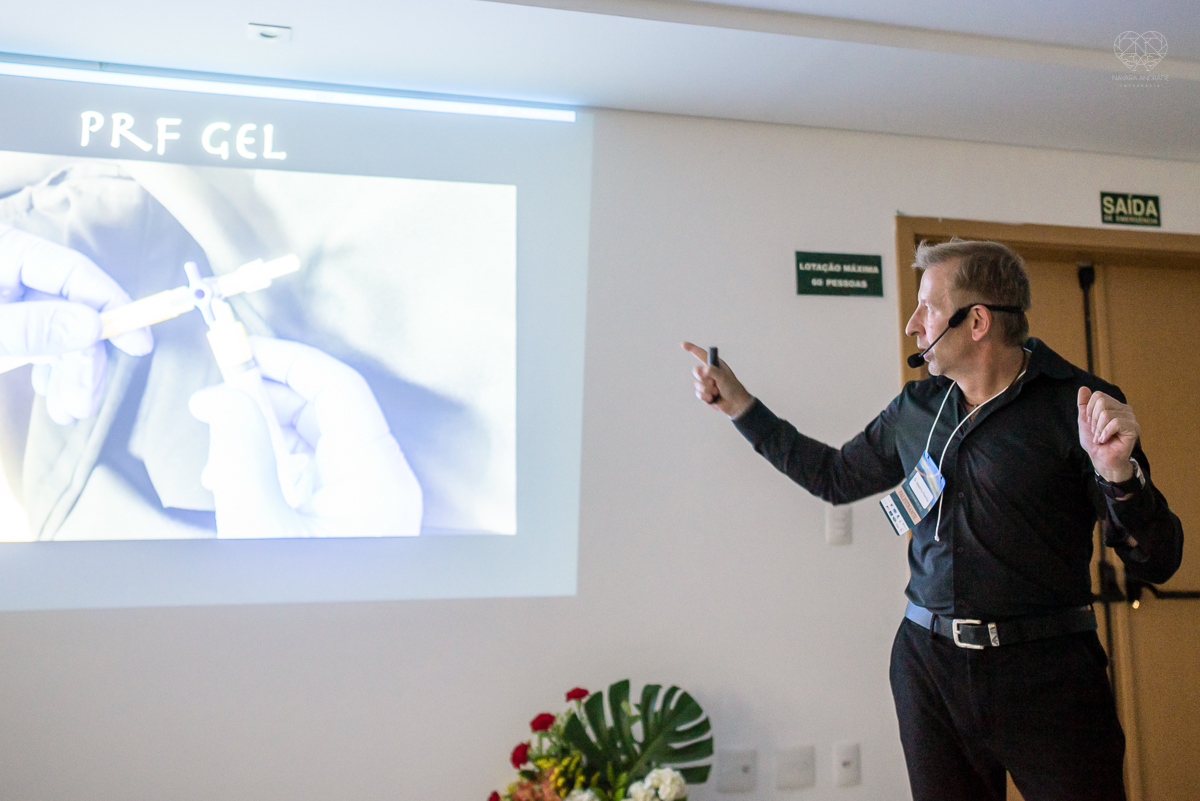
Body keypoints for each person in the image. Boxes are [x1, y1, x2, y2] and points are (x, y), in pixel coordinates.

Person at [684, 239, 1183, 801]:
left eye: (926, 307)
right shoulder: (916, 409)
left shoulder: (1082, 407)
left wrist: (1120, 476)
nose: (912, 326)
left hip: (1047, 676)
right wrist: (742, 407)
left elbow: (1158, 560)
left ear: (976, 322)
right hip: (928, 669)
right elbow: (833, 476)